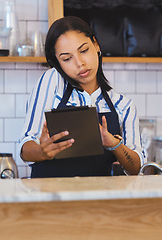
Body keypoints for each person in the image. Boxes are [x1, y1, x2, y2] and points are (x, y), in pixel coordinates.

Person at [19, 16, 146, 178]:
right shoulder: (52, 81)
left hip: (98, 199)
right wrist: (42, 152)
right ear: (58, 63)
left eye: (84, 50)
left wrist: (114, 144)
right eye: (67, 58)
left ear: (96, 45)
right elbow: (24, 147)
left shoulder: (123, 106)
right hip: (49, 198)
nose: (79, 63)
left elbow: (136, 168)